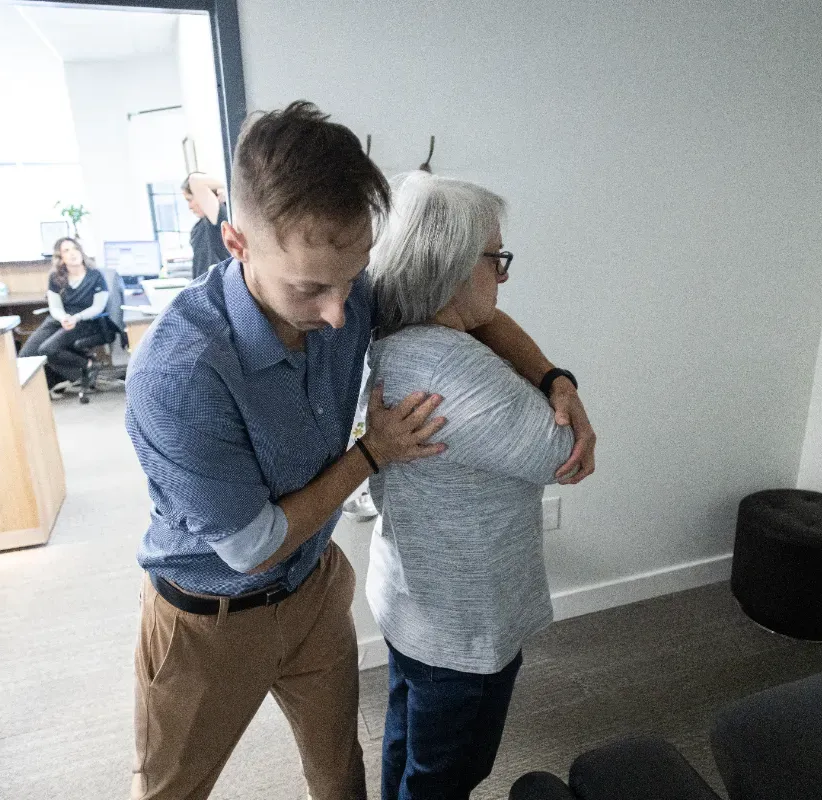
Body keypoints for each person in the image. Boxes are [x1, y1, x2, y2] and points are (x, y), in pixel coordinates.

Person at [124, 101, 596, 800]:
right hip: (208, 616)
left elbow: (469, 309)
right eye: (311, 288)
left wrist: (555, 378)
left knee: (340, 775)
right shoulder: (178, 374)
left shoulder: (348, 293)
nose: (340, 313)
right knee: (171, 789)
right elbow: (252, 546)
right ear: (236, 242)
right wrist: (370, 454)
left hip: (314, 589)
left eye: (353, 279)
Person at [366, 171, 579, 799]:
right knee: (448, 773)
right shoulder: (454, 370)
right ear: (454, 266)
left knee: (406, 741)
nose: (503, 276)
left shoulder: (389, 340)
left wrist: (554, 377)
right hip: (461, 624)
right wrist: (560, 388)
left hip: (410, 598)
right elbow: (563, 452)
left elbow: (487, 322)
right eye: (496, 258)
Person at [20, 237, 111, 394]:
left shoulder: (95, 276)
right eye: (66, 251)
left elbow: (98, 307)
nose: (72, 253)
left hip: (85, 321)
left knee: (47, 349)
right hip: (61, 319)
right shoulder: (56, 277)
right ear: (60, 257)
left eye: (75, 249)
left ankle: (89, 366)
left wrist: (76, 317)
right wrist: (63, 317)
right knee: (26, 356)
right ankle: (44, 389)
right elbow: (55, 307)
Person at [183, 171, 230, 279]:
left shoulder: (218, 216)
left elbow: (195, 180)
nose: (190, 206)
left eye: (190, 199)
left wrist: (227, 188)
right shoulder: (197, 227)